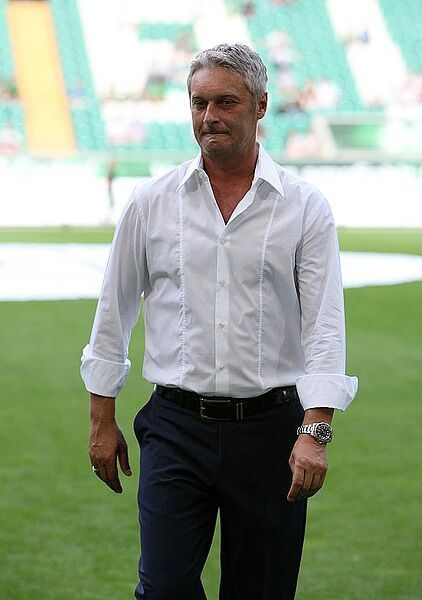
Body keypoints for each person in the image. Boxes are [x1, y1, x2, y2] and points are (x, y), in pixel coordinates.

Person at [81, 43, 358, 600]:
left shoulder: (305, 206)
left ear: (260, 106)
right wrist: (101, 419)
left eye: (225, 102)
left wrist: (316, 430)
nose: (209, 116)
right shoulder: (151, 202)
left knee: (261, 591)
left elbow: (324, 326)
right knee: (163, 588)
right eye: (198, 103)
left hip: (271, 432)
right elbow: (113, 312)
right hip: (175, 428)